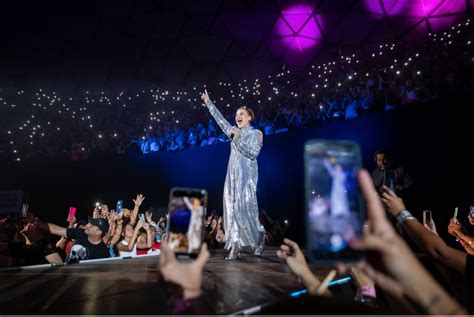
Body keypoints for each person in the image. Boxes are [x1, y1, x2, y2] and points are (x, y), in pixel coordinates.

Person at [201, 89, 264, 260]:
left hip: (247, 178)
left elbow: (253, 153)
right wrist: (208, 102)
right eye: (236, 114)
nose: (238, 116)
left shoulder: (256, 134)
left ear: (249, 117)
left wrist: (237, 139)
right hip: (232, 177)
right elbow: (221, 121)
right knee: (231, 209)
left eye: (242, 114)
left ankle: (259, 238)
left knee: (246, 210)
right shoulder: (234, 131)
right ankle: (235, 246)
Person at [35, 217, 110, 262]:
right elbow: (55, 229)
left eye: (92, 225)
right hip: (66, 275)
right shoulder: (80, 233)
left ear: (99, 232)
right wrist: (34, 221)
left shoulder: (103, 252)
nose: (88, 225)